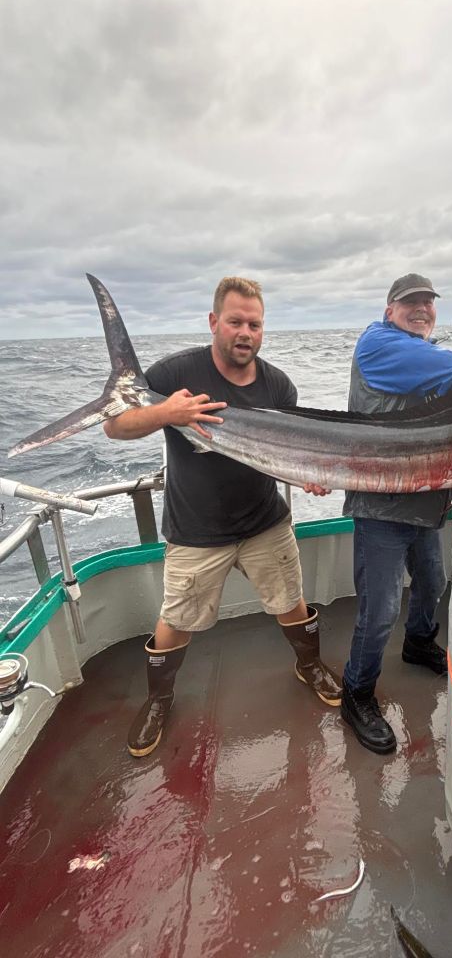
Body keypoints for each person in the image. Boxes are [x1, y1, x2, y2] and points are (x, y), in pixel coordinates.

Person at [103, 276, 342, 758]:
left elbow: (291, 454)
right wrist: (166, 413)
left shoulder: (278, 384)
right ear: (214, 322)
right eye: (235, 321)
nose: (245, 332)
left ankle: (308, 665)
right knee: (175, 620)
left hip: (264, 522)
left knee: (290, 601)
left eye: (254, 324)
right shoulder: (175, 373)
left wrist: (308, 477)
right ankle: (159, 698)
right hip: (196, 530)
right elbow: (115, 425)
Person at [340, 273, 452, 754]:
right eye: (410, 303)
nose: (422, 309)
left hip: (426, 503)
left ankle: (419, 644)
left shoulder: (425, 354)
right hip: (382, 506)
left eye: (428, 303)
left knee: (432, 585)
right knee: (379, 612)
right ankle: (356, 693)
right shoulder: (379, 344)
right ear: (389, 308)